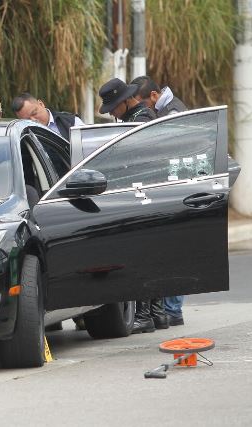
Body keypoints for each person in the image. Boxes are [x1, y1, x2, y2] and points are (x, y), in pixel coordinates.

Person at [98, 78, 167, 334]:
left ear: (126, 100)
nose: (113, 112)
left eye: (114, 106)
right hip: (149, 193)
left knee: (142, 255)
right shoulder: (140, 116)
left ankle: (144, 314)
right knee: (152, 253)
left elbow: (137, 160)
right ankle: (157, 314)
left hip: (143, 193)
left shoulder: (140, 120)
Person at [131, 76, 188, 326]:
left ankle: (172, 309)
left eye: (144, 102)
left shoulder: (172, 111)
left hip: (177, 188)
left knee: (174, 252)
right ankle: (170, 308)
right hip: (174, 188)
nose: (144, 108)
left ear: (154, 95)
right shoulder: (168, 107)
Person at [11, 93, 85, 140]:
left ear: (41, 104)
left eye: (34, 113)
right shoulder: (23, 136)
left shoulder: (71, 122)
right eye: (27, 120)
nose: (33, 120)